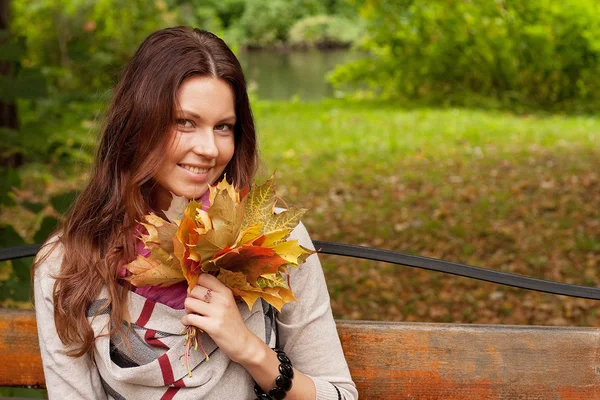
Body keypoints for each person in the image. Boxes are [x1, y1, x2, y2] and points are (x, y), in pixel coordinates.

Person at [32, 26, 358, 400]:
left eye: (223, 127)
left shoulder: (269, 241)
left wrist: (250, 350)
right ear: (138, 124)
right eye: (184, 122)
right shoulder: (69, 263)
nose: (208, 148)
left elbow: (339, 395)